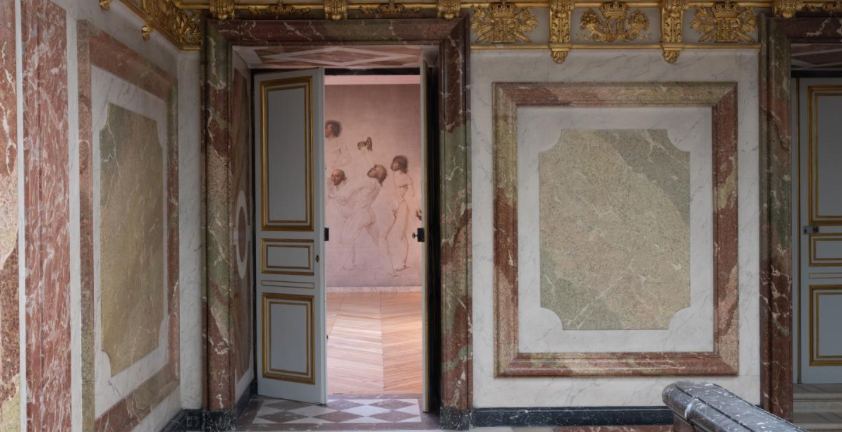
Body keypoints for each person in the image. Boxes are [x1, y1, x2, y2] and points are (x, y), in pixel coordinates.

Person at [328, 165, 395, 275]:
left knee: (346, 239)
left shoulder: (367, 181)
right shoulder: (378, 185)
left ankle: (337, 269)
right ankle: (391, 269)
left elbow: (348, 192)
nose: (372, 169)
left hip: (360, 214)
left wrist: (335, 195)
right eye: (373, 167)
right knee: (379, 240)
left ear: (379, 175)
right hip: (370, 214)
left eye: (375, 170)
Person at [384, 155, 421, 272]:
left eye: (396, 162)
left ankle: (401, 263)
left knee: (400, 235)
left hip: (401, 207)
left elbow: (412, 195)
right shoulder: (388, 176)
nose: (393, 164)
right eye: (393, 162)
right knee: (384, 234)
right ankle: (388, 261)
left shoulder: (407, 178)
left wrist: (417, 209)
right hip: (388, 208)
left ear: (401, 165)